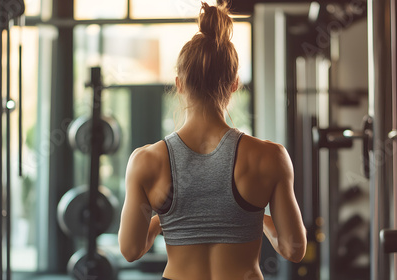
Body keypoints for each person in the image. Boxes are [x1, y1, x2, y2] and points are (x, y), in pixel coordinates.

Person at [118, 2, 306, 279]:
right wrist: (257, 219)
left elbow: (131, 250)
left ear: (179, 84)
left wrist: (162, 221)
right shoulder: (270, 157)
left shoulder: (146, 161)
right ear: (234, 84)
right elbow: (293, 249)